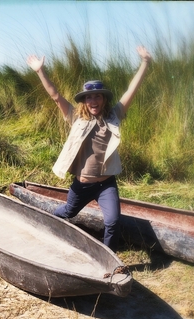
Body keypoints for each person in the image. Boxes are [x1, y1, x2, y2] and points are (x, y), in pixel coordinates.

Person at [26, 46, 152, 252]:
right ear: (85, 100)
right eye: (89, 97)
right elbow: (55, 95)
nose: (93, 100)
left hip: (106, 185)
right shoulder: (76, 116)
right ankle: (48, 225)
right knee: (67, 211)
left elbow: (132, 91)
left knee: (112, 221)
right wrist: (40, 71)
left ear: (103, 99)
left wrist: (145, 62)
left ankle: (108, 259)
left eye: (97, 97)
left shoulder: (114, 115)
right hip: (82, 184)